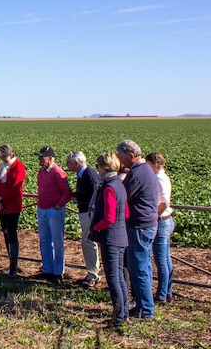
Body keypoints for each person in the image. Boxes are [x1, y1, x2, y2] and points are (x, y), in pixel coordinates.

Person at [118, 139, 158, 319]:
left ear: (131, 156)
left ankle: (145, 310)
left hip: (139, 225)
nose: (120, 161)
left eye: (121, 157)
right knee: (145, 267)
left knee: (139, 268)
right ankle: (145, 305)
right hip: (148, 224)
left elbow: (124, 195)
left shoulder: (137, 173)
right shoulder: (145, 170)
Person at [89, 152, 130, 329]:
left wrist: (96, 227)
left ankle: (118, 318)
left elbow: (108, 218)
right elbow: (126, 212)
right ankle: (124, 313)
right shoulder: (119, 185)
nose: (97, 170)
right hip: (121, 236)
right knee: (120, 277)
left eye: (98, 166)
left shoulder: (108, 188)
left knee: (113, 279)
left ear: (105, 168)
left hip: (110, 238)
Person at [35, 146, 72, 284]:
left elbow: (66, 192)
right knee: (44, 240)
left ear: (50, 158)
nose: (39, 159)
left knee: (57, 242)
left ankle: (58, 272)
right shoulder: (42, 172)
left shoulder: (58, 172)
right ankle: (47, 269)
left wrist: (58, 205)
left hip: (54, 210)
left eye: (41, 157)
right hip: (43, 209)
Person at [67, 150, 101, 289]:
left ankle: (93, 275)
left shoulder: (89, 175)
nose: (67, 164)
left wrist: (78, 198)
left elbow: (93, 196)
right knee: (87, 242)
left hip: (88, 213)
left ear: (76, 163)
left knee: (89, 242)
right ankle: (91, 273)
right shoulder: (83, 174)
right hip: (86, 212)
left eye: (68, 162)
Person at [0, 144, 26, 277]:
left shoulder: (18, 167)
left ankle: (14, 266)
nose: (3, 158)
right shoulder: (2, 167)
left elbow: (15, 188)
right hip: (2, 206)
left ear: (11, 154)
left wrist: (2, 198)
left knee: (12, 234)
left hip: (12, 206)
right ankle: (11, 262)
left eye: (4, 156)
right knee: (6, 233)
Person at [146, 151, 174, 305]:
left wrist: (153, 216)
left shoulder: (159, 178)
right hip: (164, 220)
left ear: (154, 164)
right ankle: (167, 291)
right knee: (165, 259)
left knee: (161, 260)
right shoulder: (161, 177)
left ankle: (162, 294)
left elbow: (164, 202)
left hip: (161, 221)